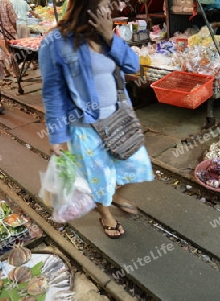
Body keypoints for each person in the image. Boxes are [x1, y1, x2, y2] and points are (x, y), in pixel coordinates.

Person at [38, 0, 154, 239]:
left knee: (138, 164)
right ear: (86, 7)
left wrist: (111, 36)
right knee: (99, 175)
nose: (109, 10)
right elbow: (52, 92)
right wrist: (57, 136)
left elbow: (133, 66)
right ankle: (106, 214)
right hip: (84, 125)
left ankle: (115, 194)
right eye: (103, 5)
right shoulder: (56, 41)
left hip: (118, 116)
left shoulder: (106, 35)